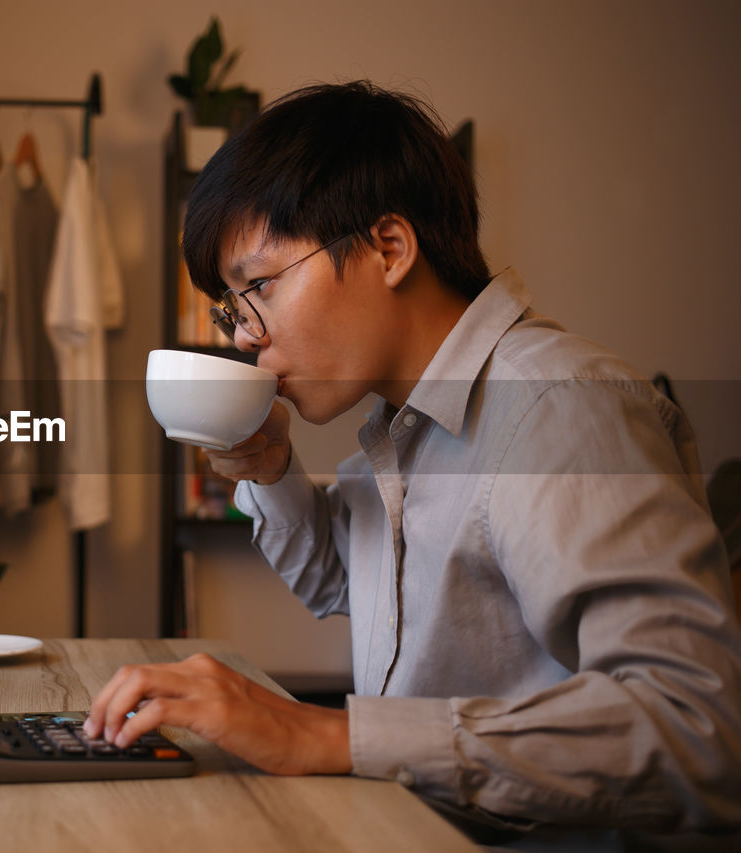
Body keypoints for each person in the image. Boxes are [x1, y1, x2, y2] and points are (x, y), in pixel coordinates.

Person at [84, 81, 741, 845]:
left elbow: (699, 730)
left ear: (388, 248)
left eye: (256, 286)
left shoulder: (556, 407)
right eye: (233, 307)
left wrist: (328, 736)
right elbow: (347, 583)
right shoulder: (400, 424)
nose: (242, 335)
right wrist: (269, 470)